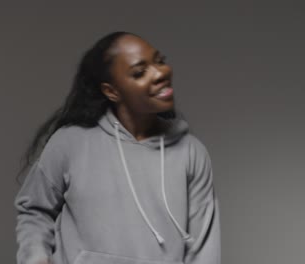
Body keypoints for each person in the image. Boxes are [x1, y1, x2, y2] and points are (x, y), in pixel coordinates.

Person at [14, 31, 221, 264]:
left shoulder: (191, 151)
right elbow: (35, 211)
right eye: (140, 72)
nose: (160, 73)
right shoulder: (70, 142)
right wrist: (35, 258)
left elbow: (203, 248)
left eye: (160, 61)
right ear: (111, 91)